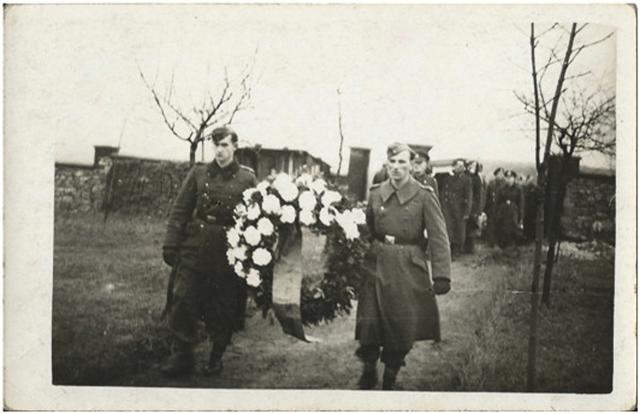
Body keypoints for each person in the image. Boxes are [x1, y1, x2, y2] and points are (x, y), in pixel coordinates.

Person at [161, 126, 257, 377]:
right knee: (183, 296)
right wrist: (171, 243)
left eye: (225, 145)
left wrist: (252, 254)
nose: (220, 151)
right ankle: (182, 354)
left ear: (235, 147)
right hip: (195, 243)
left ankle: (216, 356)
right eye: (216, 145)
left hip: (228, 250)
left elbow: (255, 220)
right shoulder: (199, 173)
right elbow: (180, 209)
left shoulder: (247, 179)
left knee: (222, 304)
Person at [356, 142, 451, 390]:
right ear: (387, 164)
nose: (397, 168)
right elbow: (367, 228)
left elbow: (439, 235)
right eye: (393, 162)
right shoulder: (376, 193)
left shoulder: (424, 195)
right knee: (370, 322)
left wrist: (442, 275)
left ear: (412, 165)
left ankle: (390, 377)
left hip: (407, 266)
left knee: (401, 326)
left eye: (402, 162)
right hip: (376, 263)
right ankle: (368, 371)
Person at [441, 158, 472, 257]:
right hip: (449, 209)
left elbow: (469, 196)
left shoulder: (467, 180)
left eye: (462, 166)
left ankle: (457, 250)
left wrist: (467, 211)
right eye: (458, 165)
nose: (460, 167)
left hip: (460, 209)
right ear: (454, 167)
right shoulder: (449, 179)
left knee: (459, 229)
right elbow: (444, 193)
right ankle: (450, 250)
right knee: (449, 229)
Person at [495, 170, 525, 249]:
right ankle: (502, 247)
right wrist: (497, 213)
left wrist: (521, 217)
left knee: (512, 229)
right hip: (503, 212)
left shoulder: (518, 189)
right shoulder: (501, 188)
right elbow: (497, 202)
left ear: (514, 179)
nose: (509, 179)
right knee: (503, 229)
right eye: (507, 178)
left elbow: (521, 203)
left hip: (513, 212)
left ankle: (512, 247)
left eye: (511, 178)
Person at [464, 160, 483, 253]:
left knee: (471, 227)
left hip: (473, 205)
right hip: (464, 204)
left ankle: (470, 247)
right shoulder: (465, 176)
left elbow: (479, 194)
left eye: (474, 165)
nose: (472, 167)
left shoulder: (477, 178)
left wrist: (478, 209)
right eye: (471, 165)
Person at [484, 167, 505, 246]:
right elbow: (488, 196)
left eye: (502, 174)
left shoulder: (504, 184)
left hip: (501, 208)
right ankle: (491, 242)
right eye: (499, 174)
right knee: (491, 225)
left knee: (500, 225)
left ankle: (500, 242)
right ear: (496, 175)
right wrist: (486, 208)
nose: (500, 175)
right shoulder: (491, 183)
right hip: (492, 207)